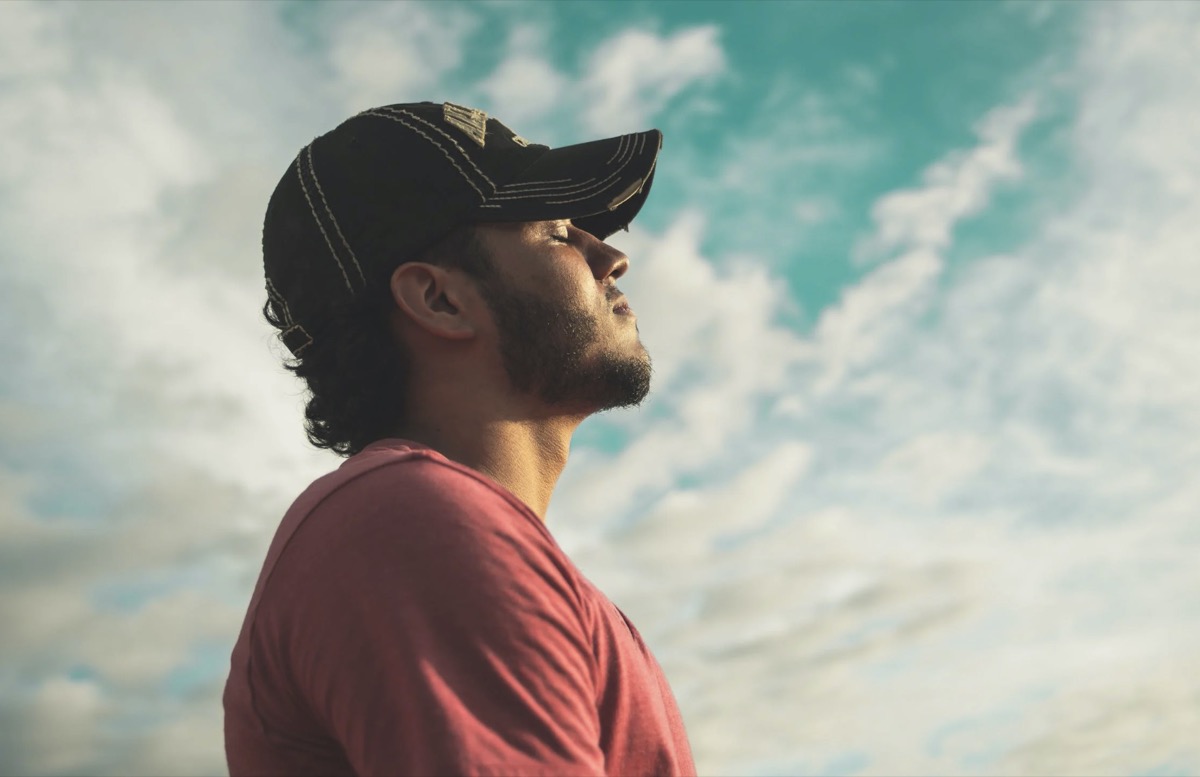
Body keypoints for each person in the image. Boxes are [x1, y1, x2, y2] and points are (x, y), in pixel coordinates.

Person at [222, 101, 695, 777]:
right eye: (559, 231)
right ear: (440, 300)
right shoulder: (412, 521)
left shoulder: (429, 527)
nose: (612, 256)